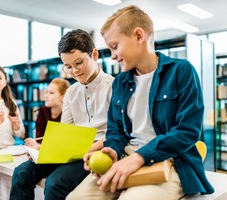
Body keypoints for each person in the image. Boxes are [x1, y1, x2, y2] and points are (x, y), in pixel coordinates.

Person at [67, 5, 215, 200]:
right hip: (126, 157)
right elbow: (116, 131)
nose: (112, 55)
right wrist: (111, 149)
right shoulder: (120, 82)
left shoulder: (181, 71)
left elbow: (187, 131)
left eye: (114, 46)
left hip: (170, 160)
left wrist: (139, 158)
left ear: (138, 36)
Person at [10, 29, 114, 200]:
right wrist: (43, 149)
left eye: (79, 63)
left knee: (55, 183)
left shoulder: (114, 87)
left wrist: (82, 151)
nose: (74, 71)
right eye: (68, 67)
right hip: (72, 150)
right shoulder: (71, 92)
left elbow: (116, 133)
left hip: (98, 151)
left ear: (94, 54)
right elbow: (65, 132)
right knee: (21, 173)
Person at [24, 78, 70, 149]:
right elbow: (39, 139)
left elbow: (64, 144)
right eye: (46, 92)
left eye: (51, 93)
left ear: (63, 97)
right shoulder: (42, 111)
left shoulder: (69, 114)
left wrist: (40, 146)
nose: (46, 96)